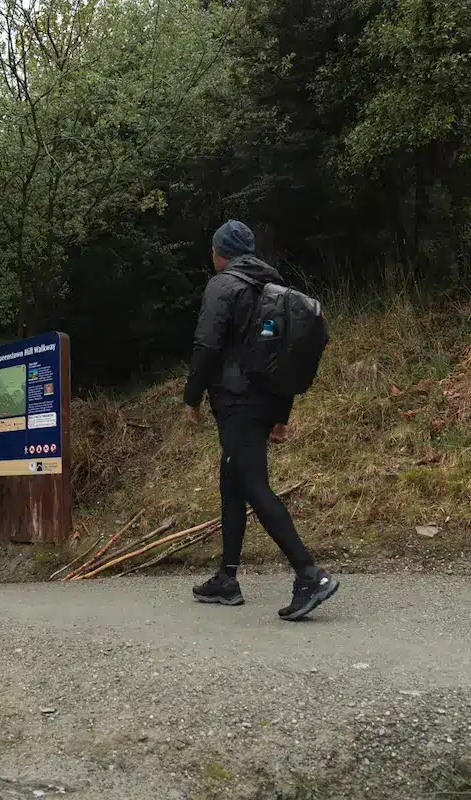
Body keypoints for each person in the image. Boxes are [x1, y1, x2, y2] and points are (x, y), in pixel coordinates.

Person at [183, 220, 339, 621]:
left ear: (221, 252)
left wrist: (192, 397)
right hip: (263, 401)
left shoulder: (223, 285)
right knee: (232, 483)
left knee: (251, 483)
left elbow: (206, 344)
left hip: (237, 401)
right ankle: (227, 579)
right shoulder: (270, 288)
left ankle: (310, 575)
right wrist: (281, 414)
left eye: (213, 248)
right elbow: (284, 355)